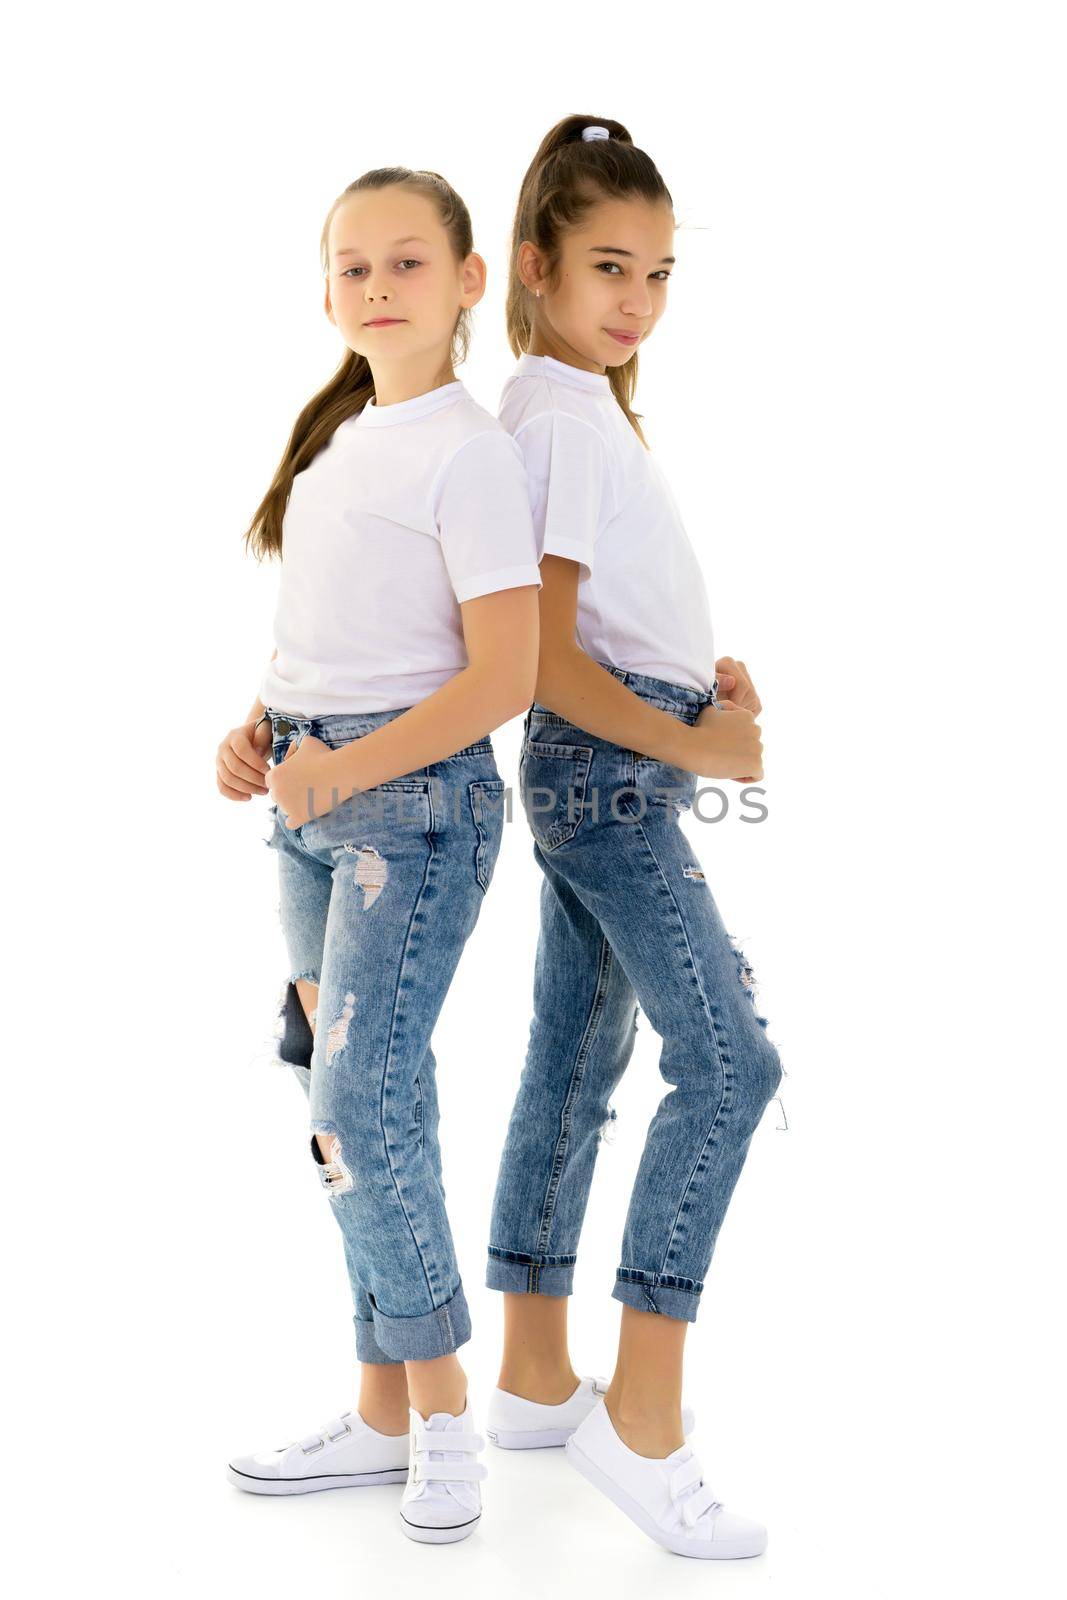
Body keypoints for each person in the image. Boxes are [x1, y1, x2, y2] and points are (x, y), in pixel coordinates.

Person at [215, 166, 541, 1544]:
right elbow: (338, 634)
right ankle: (382, 1408)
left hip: (411, 812)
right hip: (309, 795)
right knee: (347, 1103)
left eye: (408, 264)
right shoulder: (348, 440)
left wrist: (348, 761)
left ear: (470, 284)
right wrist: (260, 727)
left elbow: (505, 675)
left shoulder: (470, 451)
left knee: (362, 1091)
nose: (376, 289)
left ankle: (444, 1406)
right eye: (352, 268)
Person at [483, 117, 784, 1560]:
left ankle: (538, 1377)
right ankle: (641, 1422)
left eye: (658, 274)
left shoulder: (577, 410)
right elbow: (541, 660)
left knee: (573, 1060)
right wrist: (701, 739)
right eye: (609, 266)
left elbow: (601, 626)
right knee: (733, 1063)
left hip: (617, 765)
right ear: (533, 268)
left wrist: (695, 680)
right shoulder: (552, 413)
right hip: (609, 772)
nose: (637, 301)